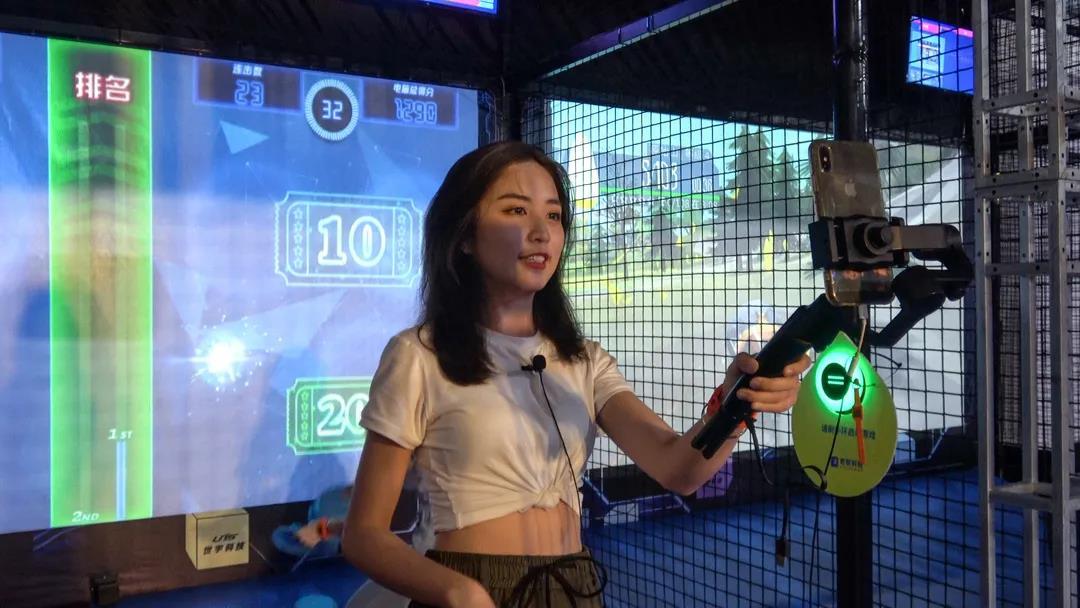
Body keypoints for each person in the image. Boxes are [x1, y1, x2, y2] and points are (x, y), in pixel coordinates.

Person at [341, 141, 812, 607]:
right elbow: (363, 536)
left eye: (553, 215)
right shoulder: (419, 356)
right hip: (468, 589)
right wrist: (458, 591)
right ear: (463, 235)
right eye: (516, 210)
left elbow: (678, 469)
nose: (541, 232)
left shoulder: (585, 360)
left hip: (573, 586)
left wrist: (736, 400)